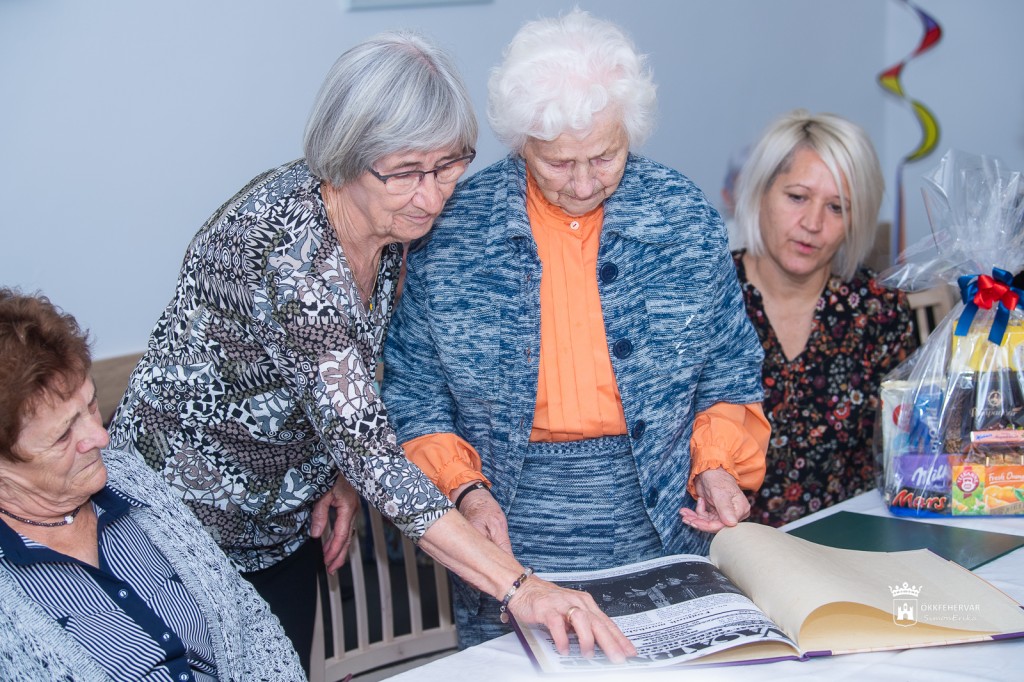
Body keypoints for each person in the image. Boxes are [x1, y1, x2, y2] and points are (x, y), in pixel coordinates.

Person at [108, 30, 634, 669]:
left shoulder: (381, 222)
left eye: (449, 165)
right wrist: (522, 588)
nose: (433, 196)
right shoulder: (286, 254)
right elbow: (374, 453)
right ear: (345, 156)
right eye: (406, 173)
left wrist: (338, 472)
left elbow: (340, 389)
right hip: (172, 532)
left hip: (281, 526)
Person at [382, 10, 770, 647]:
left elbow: (729, 364)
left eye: (606, 156)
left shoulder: (680, 215)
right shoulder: (454, 231)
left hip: (664, 511)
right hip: (508, 522)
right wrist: (465, 492)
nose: (586, 182)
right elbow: (414, 393)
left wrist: (718, 466)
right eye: (559, 163)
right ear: (522, 143)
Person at [0, 288, 306, 681]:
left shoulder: (132, 481)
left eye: (91, 405)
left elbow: (246, 620)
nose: (100, 436)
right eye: (62, 436)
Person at [730, 110, 918, 527]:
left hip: (848, 539)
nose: (813, 224)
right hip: (723, 545)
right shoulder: (708, 299)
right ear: (760, 191)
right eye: (797, 197)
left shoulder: (879, 311)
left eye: (837, 207)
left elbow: (906, 449)